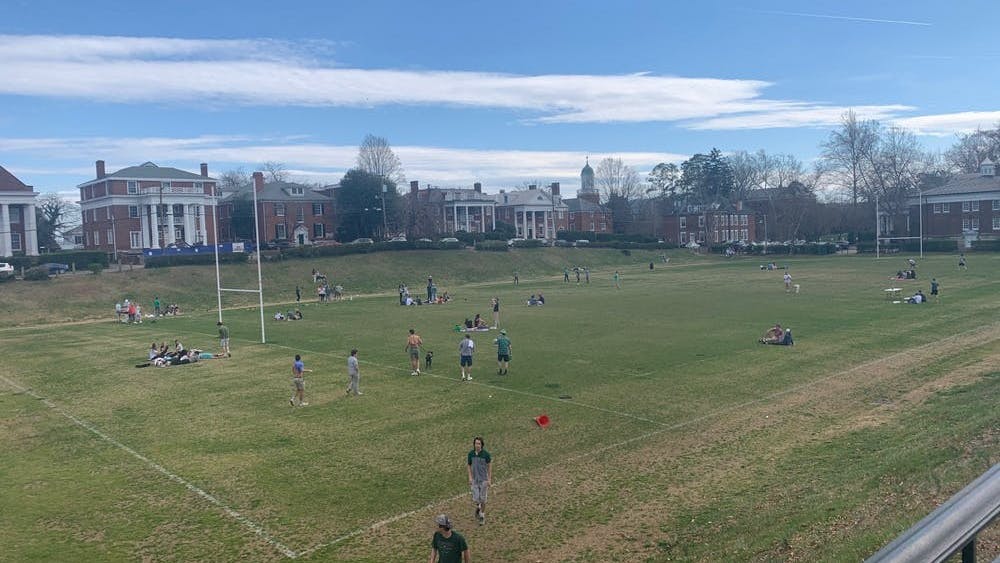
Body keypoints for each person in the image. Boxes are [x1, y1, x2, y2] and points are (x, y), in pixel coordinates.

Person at [468, 436, 492, 526]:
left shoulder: (486, 455)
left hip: (483, 480)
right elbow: (469, 465)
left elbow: (489, 466)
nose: (477, 445)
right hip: (475, 480)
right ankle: (478, 507)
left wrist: (489, 479)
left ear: (482, 445)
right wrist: (470, 477)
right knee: (476, 499)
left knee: (483, 499)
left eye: (478, 443)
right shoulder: (471, 454)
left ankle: (482, 515)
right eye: (475, 443)